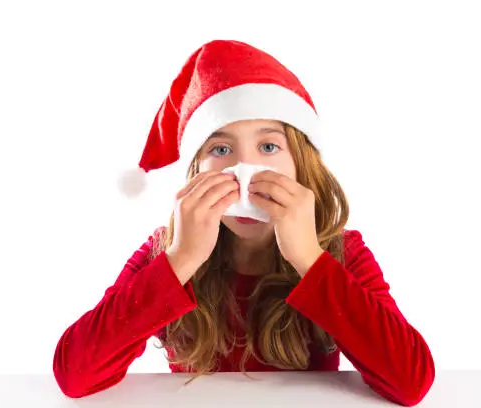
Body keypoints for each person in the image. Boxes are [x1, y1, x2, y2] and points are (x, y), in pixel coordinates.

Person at [52, 39, 435, 406]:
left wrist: (310, 260)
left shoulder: (341, 251)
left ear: (302, 166)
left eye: (268, 147)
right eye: (221, 149)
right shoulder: (165, 251)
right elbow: (74, 374)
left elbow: (411, 381)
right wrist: (181, 260)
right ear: (195, 171)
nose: (244, 172)